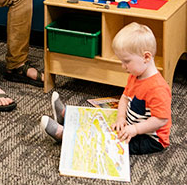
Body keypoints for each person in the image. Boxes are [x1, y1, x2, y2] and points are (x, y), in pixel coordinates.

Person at [40, 23, 172, 155]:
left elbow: (161, 120)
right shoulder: (135, 76)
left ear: (146, 57)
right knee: (100, 120)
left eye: (126, 61)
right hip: (131, 125)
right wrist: (121, 117)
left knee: (111, 142)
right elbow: (125, 98)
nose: (123, 66)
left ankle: (64, 136)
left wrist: (135, 129)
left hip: (151, 138)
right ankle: (66, 116)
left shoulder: (158, 88)